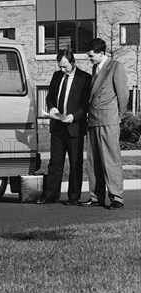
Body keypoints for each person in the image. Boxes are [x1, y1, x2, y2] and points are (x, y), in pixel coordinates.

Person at [37, 49, 91, 205]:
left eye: (65, 66)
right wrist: (52, 108)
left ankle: (73, 197)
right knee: (55, 162)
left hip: (74, 126)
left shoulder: (85, 78)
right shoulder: (56, 76)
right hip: (57, 126)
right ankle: (50, 195)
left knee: (75, 163)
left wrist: (73, 116)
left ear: (73, 62)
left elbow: (85, 104)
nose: (62, 70)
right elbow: (50, 97)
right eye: (60, 66)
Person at [81, 38, 129, 210]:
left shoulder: (116, 67)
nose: (90, 59)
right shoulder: (95, 68)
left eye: (91, 56)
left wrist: (117, 117)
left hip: (108, 120)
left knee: (111, 160)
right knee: (93, 161)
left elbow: (123, 95)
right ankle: (96, 196)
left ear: (101, 53)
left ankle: (117, 197)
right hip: (93, 120)